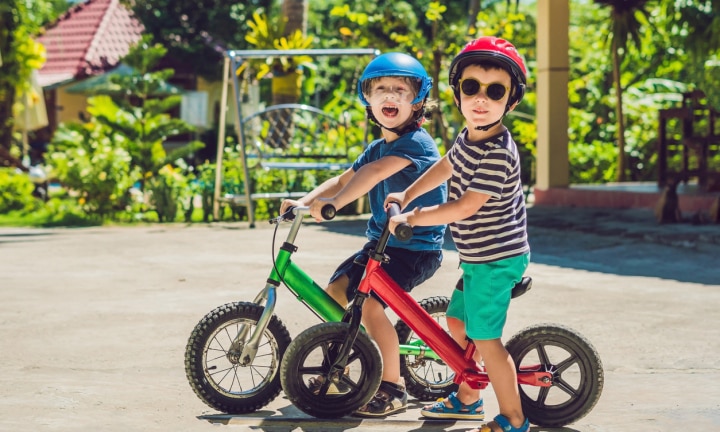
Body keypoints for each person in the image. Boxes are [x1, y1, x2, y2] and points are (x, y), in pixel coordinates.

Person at [279, 52, 447, 417]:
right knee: (336, 292)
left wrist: (335, 205)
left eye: (401, 90)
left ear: (417, 101)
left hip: (413, 246)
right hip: (381, 245)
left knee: (370, 308)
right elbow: (345, 177)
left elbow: (372, 175)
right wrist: (304, 202)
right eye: (381, 89)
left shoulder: (417, 144)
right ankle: (340, 367)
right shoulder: (375, 147)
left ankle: (393, 387)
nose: (391, 95)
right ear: (368, 100)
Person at [384, 36, 531, 432]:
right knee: (456, 323)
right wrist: (407, 191)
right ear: (457, 92)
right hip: (477, 257)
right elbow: (447, 165)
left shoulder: (498, 150)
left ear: (511, 101)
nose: (481, 99)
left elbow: (465, 206)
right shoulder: (470, 136)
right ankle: (468, 396)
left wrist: (413, 217)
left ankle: (514, 419)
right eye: (472, 87)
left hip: (498, 259)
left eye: (495, 91)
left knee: (486, 340)